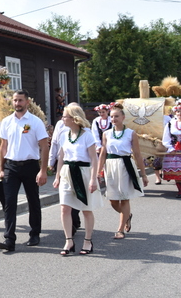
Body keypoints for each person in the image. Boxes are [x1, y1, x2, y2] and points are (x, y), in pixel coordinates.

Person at [0, 90, 49, 251]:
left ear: (27, 102)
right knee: (9, 202)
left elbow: (44, 146)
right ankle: (9, 239)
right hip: (11, 167)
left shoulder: (35, 122)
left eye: (20, 100)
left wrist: (43, 170)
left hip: (30, 165)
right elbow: (3, 146)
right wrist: (1, 168)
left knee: (33, 200)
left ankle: (34, 233)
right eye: (15, 100)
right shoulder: (6, 122)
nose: (17, 103)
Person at [53, 104, 103, 255]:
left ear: (74, 118)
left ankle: (88, 241)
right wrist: (57, 177)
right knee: (64, 208)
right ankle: (69, 241)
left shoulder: (87, 135)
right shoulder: (64, 134)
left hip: (84, 172)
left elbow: (94, 159)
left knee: (86, 209)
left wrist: (93, 179)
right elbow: (61, 157)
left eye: (65, 116)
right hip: (67, 172)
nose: (62, 119)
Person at [99, 103, 148, 239]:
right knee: (113, 201)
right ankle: (127, 215)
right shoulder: (106, 134)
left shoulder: (130, 133)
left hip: (126, 165)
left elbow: (138, 155)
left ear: (123, 117)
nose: (113, 119)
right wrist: (98, 171)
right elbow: (103, 153)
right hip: (110, 166)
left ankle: (120, 230)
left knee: (124, 199)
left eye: (116, 116)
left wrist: (143, 174)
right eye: (112, 117)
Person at [48, 117, 81, 236]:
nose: (63, 118)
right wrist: (50, 163)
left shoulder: (84, 130)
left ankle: (74, 218)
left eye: (66, 115)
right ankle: (71, 225)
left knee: (76, 195)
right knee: (66, 197)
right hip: (63, 165)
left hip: (79, 166)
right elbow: (54, 143)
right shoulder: (60, 126)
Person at [161, 100, 181, 198]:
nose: (180, 113)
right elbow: (166, 138)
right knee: (177, 173)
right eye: (178, 111)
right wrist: (170, 148)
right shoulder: (170, 123)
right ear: (175, 112)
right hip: (175, 151)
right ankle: (180, 191)